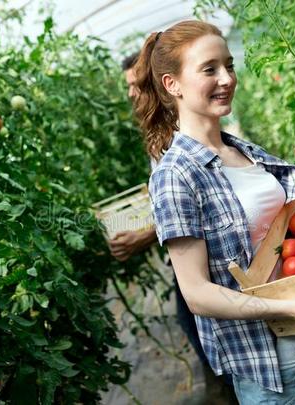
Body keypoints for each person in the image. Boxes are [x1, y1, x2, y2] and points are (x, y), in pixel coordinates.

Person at [133, 20, 295, 405]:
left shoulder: (240, 149)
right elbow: (197, 295)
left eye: (228, 65)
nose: (227, 78)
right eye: (209, 69)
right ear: (172, 84)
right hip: (279, 366)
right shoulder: (175, 177)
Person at [110, 51, 237, 402]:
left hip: (204, 253)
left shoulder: (179, 131)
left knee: (204, 325)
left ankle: (232, 388)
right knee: (195, 324)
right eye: (129, 88)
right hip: (193, 252)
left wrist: (143, 237)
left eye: (137, 85)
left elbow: (199, 202)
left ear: (163, 82)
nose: (132, 94)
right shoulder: (161, 129)